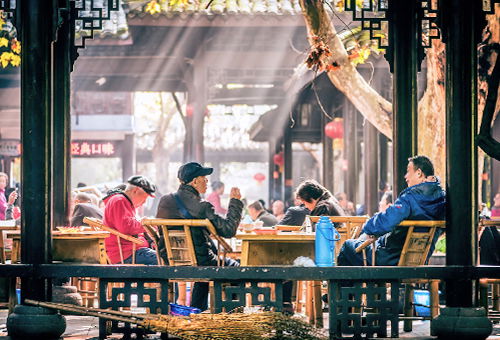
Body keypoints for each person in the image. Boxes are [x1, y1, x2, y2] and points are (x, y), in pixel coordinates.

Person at [156, 162, 243, 311]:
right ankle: (232, 315)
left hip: (169, 260)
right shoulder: (202, 206)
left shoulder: (165, 200)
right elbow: (228, 230)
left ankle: (197, 311)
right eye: (204, 178)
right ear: (195, 181)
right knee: (236, 267)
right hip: (200, 261)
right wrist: (235, 202)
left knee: (204, 262)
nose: (207, 182)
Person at [338, 155, 446, 266]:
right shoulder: (442, 199)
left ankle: (346, 284)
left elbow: (387, 219)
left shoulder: (410, 198)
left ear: (419, 173)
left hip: (391, 257)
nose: (405, 176)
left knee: (348, 246)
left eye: (408, 171)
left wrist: (367, 228)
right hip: (419, 261)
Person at [103, 175, 158, 265]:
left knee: (162, 257)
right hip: (124, 254)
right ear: (135, 190)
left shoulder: (123, 201)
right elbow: (126, 227)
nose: (144, 202)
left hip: (129, 251)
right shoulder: (119, 200)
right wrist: (145, 224)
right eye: (145, 197)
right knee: (164, 259)